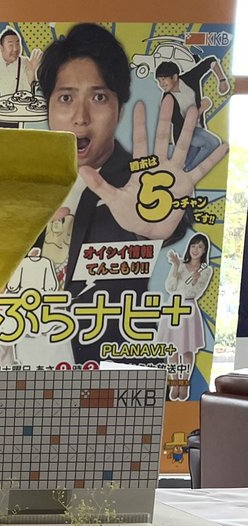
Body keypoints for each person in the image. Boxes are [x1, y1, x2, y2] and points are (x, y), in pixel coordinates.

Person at [36, 23, 225, 364]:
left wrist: (149, 229)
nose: (80, 117)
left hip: (109, 369)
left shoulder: (141, 183)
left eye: (98, 97)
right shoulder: (22, 185)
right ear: (47, 107)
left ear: (120, 110)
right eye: (66, 98)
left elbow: (168, 219)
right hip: (22, 365)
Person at [159, 233, 213, 400]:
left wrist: (195, 279)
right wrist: (176, 266)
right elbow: (170, 287)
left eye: (200, 247)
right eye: (193, 246)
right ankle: (175, 382)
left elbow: (196, 292)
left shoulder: (206, 270)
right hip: (173, 307)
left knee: (188, 349)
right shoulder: (181, 264)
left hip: (189, 308)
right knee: (172, 349)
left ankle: (184, 383)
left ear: (204, 251)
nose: (195, 250)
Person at [155, 56, 230, 171]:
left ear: (174, 77)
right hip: (183, 136)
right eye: (159, 81)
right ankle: (187, 171)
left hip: (199, 129)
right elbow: (183, 125)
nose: (161, 84)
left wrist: (222, 80)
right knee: (213, 143)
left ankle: (185, 171)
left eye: (163, 79)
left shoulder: (190, 78)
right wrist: (201, 109)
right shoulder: (167, 100)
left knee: (187, 163)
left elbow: (210, 61)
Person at [0, 28, 41, 128]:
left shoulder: (25, 63)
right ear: (1, 48)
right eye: (11, 45)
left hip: (14, 113)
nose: (15, 49)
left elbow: (30, 91)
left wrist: (32, 72)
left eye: (18, 44)